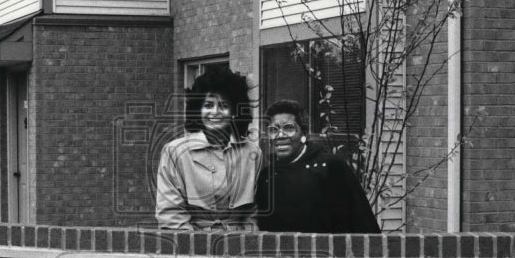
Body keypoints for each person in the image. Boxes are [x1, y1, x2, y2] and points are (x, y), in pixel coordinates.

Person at [156, 67, 261, 230]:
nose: (215, 112)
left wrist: (246, 243)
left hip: (240, 246)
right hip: (192, 247)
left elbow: (253, 214)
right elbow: (171, 216)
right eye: (208, 105)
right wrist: (197, 249)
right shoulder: (175, 152)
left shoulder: (252, 153)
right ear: (198, 110)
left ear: (234, 111)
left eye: (223, 105)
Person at [256, 99, 380, 234]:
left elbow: (362, 224)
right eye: (273, 130)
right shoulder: (267, 177)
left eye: (289, 128)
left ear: (304, 134)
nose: (280, 135)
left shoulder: (331, 168)